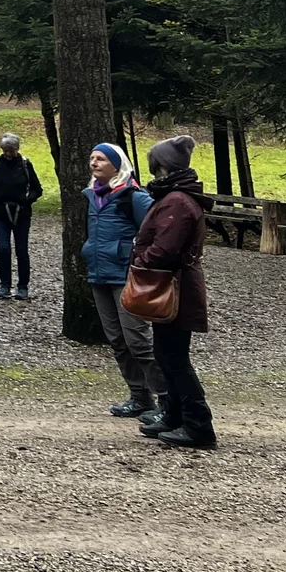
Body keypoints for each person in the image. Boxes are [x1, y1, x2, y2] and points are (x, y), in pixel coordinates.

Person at [130, 135, 215, 448]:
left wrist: (138, 259)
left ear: (161, 164)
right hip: (171, 287)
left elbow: (165, 249)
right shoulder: (175, 196)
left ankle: (199, 425)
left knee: (176, 359)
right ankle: (175, 416)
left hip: (176, 289)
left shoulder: (177, 201)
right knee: (167, 355)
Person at [85, 142, 168, 419]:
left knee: (138, 341)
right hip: (99, 275)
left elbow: (156, 233)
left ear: (116, 165)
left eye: (101, 159)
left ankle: (167, 401)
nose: (94, 163)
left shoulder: (133, 196)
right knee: (117, 341)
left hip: (126, 276)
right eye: (92, 158)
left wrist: (139, 261)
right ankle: (140, 396)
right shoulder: (92, 196)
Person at [0, 132, 43, 299]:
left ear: (17, 149)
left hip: (22, 213)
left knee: (21, 249)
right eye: (5, 150)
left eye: (11, 150)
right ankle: (4, 285)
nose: (8, 154)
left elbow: (37, 189)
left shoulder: (25, 165)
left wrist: (26, 199)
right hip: (1, 212)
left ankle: (23, 286)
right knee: (4, 249)